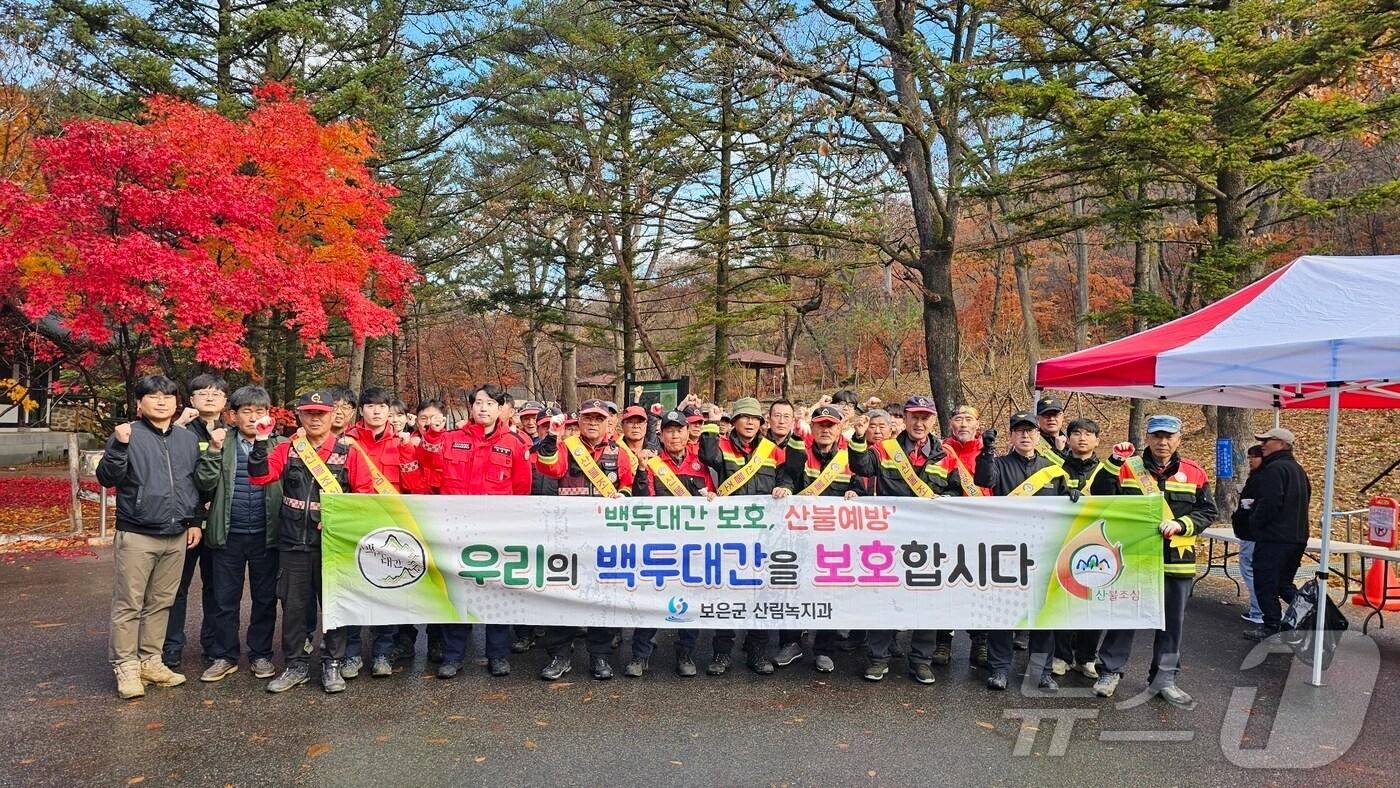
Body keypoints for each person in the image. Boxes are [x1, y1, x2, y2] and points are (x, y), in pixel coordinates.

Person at [249, 390, 379, 694]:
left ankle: (333, 663)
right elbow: (259, 477)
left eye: (321, 413)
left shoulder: (349, 452)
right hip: (293, 541)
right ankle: (295, 665)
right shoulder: (287, 449)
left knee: (334, 606)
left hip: (334, 544)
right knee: (294, 607)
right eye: (309, 413)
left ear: (334, 414)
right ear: (300, 416)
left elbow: (366, 496)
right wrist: (259, 443)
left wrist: (339, 520)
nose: (315, 418)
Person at [1091, 415, 1217, 706]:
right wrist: (1112, 462)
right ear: (1146, 438)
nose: (1163, 442)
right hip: (1134, 559)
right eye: (1157, 436)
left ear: (1178, 439)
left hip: (1178, 560)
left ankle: (1165, 678)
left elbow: (1208, 511)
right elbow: (1099, 496)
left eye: (1169, 436)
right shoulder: (1126, 468)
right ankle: (1109, 671)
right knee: (1124, 616)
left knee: (1172, 623)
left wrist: (1182, 524)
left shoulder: (1194, 473)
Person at [99, 375, 204, 699]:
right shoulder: (128, 434)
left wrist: (194, 521)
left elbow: (193, 485)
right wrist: (119, 446)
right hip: (137, 533)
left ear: (177, 403)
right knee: (129, 603)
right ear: (139, 404)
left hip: (176, 534)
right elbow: (107, 478)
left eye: (168, 396)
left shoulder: (186, 440)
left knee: (161, 603)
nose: (162, 401)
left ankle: (150, 661)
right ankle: (126, 666)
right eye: (154, 396)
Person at [848, 395, 964, 684]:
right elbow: (861, 466)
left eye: (925, 417)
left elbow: (957, 491)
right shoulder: (885, 449)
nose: (919, 422)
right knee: (884, 598)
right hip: (889, 540)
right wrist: (859, 437)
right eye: (914, 416)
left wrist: (944, 498)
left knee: (926, 601)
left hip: (930, 542)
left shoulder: (946, 455)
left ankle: (921, 660)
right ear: (905, 419)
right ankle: (879, 658)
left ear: (932, 421)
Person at [436, 384, 534, 678]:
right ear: (470, 407)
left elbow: (521, 489)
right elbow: (431, 475)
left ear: (501, 408)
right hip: (456, 531)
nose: (483, 408)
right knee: (457, 593)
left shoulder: (515, 444)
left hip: (497, 532)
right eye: (478, 402)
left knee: (497, 593)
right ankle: (453, 656)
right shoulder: (450, 440)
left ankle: (498, 655)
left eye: (490, 403)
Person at [974, 411, 1075, 693]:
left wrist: (1072, 497)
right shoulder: (999, 464)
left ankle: (1041, 671)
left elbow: (1068, 504)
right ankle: (999, 669)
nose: (1025, 435)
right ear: (1011, 436)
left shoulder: (1053, 469)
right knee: (1004, 613)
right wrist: (985, 451)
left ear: (1038, 435)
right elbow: (984, 480)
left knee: (1043, 616)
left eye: (1030, 430)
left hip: (1044, 550)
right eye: (1019, 431)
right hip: (1007, 550)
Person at [534, 399, 635, 680]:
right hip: (569, 535)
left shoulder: (620, 452)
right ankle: (560, 655)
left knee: (601, 598)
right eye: (588, 417)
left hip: (604, 538)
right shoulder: (566, 448)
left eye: (598, 418)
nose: (593, 422)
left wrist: (622, 497)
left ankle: (600, 656)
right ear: (578, 421)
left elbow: (627, 484)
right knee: (563, 596)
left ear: (608, 422)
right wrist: (552, 439)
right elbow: (549, 468)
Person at [194, 385, 283, 684]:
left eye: (260, 411)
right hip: (227, 534)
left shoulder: (280, 445)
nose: (254, 417)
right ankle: (224, 655)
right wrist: (215, 450)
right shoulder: (220, 442)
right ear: (233, 415)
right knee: (224, 599)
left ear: (269, 415)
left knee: (265, 598)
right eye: (246, 411)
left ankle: (260, 654)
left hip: (266, 534)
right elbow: (204, 483)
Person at [772, 404, 864, 673]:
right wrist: (784, 488)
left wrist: (855, 494)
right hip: (798, 537)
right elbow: (788, 475)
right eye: (820, 425)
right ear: (811, 428)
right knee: (791, 589)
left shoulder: (850, 458)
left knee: (828, 592)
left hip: (834, 541)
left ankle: (824, 648)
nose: (825, 430)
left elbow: (861, 484)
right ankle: (790, 643)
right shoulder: (799, 452)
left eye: (831, 426)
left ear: (838, 430)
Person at [626, 409, 717, 678]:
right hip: (660, 545)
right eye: (669, 430)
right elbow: (643, 499)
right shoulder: (653, 463)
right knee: (651, 600)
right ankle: (640, 655)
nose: (675, 435)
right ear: (661, 434)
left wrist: (712, 498)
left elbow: (713, 498)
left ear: (688, 433)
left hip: (693, 546)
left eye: (679, 429)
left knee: (689, 599)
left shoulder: (702, 464)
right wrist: (642, 469)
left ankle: (685, 652)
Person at [697, 396, 781, 675]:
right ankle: (722, 652)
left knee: (761, 595)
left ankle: (757, 651)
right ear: (733, 422)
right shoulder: (720, 446)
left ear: (761, 424)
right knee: (727, 593)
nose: (750, 423)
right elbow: (707, 456)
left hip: (763, 535)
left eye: (755, 419)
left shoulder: (771, 450)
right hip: (729, 533)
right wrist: (710, 423)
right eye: (744, 417)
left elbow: (787, 477)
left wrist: (786, 488)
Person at [341, 386, 415, 680]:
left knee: (386, 589)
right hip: (353, 525)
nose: (375, 411)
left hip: (389, 527)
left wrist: (410, 449)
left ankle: (383, 651)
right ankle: (351, 653)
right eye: (369, 406)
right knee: (352, 591)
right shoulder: (346, 442)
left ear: (389, 411)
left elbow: (415, 485)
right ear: (361, 410)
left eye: (381, 406)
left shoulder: (401, 443)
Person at [162, 373, 225, 670]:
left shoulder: (233, 432)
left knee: (216, 587)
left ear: (226, 402)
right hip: (187, 522)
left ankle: (213, 646)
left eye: (216, 393)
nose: (209, 397)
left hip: (220, 522)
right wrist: (177, 425)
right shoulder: (180, 432)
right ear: (191, 399)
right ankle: (170, 646)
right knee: (177, 587)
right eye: (202, 393)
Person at [1053, 418, 1109, 679]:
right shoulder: (1055, 467)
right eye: (1076, 433)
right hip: (1062, 542)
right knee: (1063, 601)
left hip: (1097, 544)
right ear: (1068, 438)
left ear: (1097, 440)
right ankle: (1062, 655)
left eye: (1089, 434)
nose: (1082, 438)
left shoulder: (1108, 471)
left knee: (1092, 601)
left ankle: (1087, 657)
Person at [1243, 427, 1312, 641]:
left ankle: (1271, 625)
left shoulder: (1274, 469)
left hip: (1274, 538)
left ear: (1282, 444)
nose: (1263, 445)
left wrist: (1254, 521)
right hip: (1297, 537)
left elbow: (1270, 503)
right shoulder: (1298, 470)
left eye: (1268, 440)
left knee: (1265, 582)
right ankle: (1313, 613)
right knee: (1284, 583)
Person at [933, 404, 990, 666]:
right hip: (947, 530)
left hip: (982, 531)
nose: (964, 424)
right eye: (958, 419)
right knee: (945, 587)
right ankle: (943, 641)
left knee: (981, 589)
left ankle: (979, 641)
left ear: (978, 425)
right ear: (950, 424)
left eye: (969, 419)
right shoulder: (938, 452)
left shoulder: (990, 453)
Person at [1233, 444, 1267, 625]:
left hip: (1252, 532)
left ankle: (1258, 611)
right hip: (1251, 532)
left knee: (1250, 570)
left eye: (1254, 457)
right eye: (1249, 457)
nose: (1250, 461)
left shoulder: (1263, 478)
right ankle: (1260, 609)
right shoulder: (1258, 477)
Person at [1034, 396, 1068, 466]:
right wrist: (1058, 450)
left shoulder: (1070, 442)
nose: (1051, 419)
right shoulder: (1030, 443)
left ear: (1062, 417)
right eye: (1046, 415)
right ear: (1037, 418)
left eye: (1055, 415)